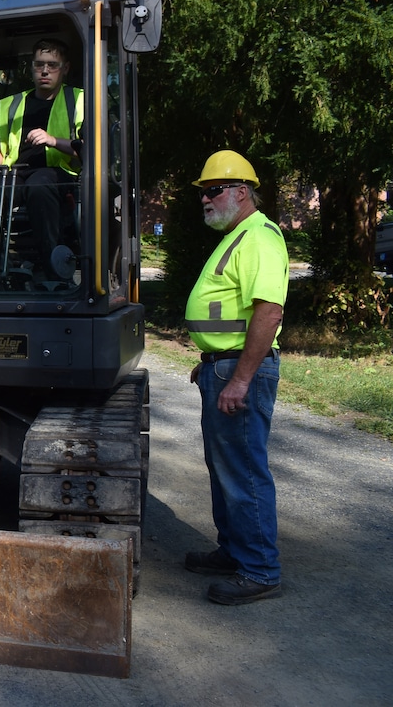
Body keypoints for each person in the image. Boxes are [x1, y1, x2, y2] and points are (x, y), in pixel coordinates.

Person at [184, 150, 289, 605]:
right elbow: (231, 311)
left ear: (241, 192)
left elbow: (268, 312)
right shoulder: (238, 234)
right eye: (203, 193)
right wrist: (211, 359)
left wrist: (241, 378)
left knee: (244, 471)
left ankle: (260, 570)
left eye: (213, 190)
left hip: (240, 372)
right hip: (224, 366)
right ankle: (234, 551)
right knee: (225, 468)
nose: (205, 199)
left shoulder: (260, 236)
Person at [0, 39, 83, 277]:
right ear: (31, 67)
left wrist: (52, 140)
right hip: (16, 174)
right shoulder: (14, 105)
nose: (45, 71)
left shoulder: (79, 101)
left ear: (65, 68)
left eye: (52, 65)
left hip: (59, 173)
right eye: (39, 64)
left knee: (40, 184)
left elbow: (86, 150)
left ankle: (53, 269)